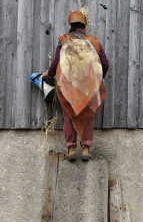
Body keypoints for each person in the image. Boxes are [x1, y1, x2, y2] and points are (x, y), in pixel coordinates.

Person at [44, 9, 109, 161]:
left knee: (69, 116)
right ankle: (86, 148)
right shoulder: (93, 41)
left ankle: (71, 148)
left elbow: (57, 61)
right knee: (88, 115)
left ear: (71, 24)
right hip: (89, 87)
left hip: (68, 87)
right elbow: (104, 63)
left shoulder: (64, 40)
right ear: (84, 24)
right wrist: (99, 78)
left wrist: (49, 73)